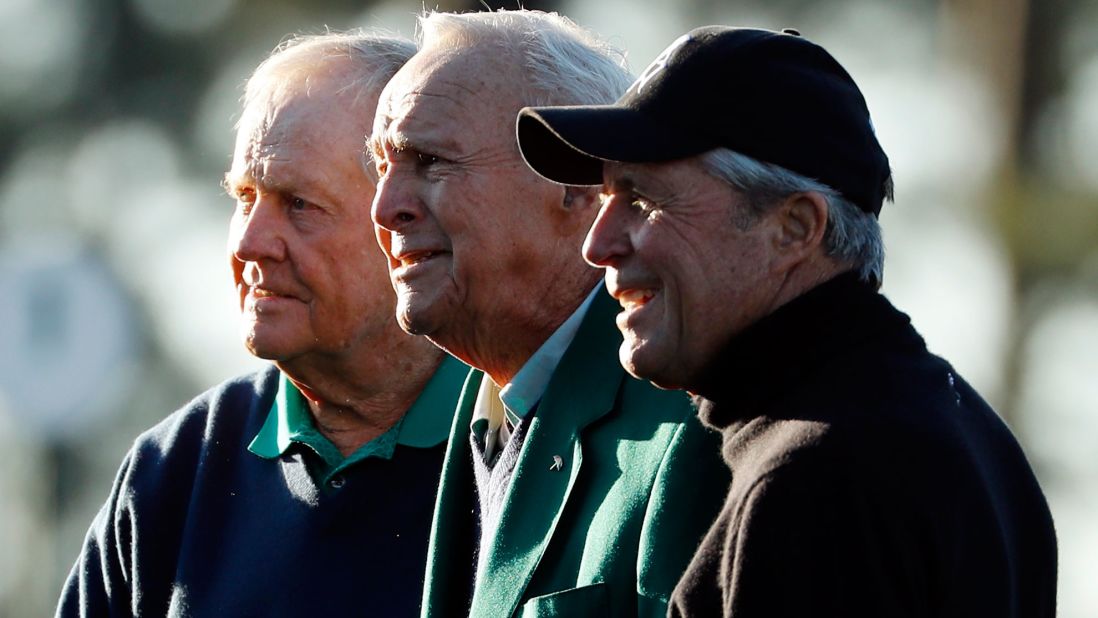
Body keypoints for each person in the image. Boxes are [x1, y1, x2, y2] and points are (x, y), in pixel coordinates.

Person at [516, 25, 1059, 617]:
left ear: (795, 227)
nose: (599, 244)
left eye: (644, 201)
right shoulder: (961, 430)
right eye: (604, 200)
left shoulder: (817, 475)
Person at [57, 32, 468, 618]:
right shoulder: (172, 470)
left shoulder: (519, 442)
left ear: (408, 221)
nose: (250, 243)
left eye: (299, 204)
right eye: (244, 197)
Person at [368, 10, 730, 618]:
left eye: (429, 161)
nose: (385, 207)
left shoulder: (690, 424)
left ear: (576, 184)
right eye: (382, 166)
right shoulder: (481, 411)